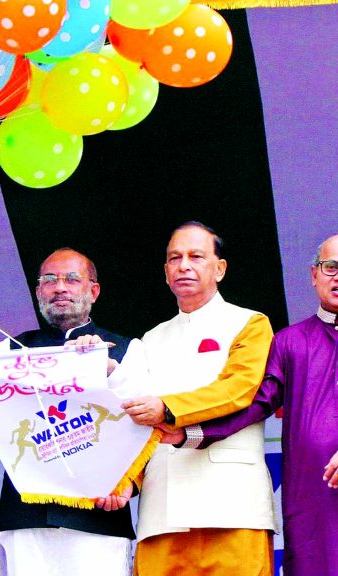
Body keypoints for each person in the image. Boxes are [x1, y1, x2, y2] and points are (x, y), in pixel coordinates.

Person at [169, 233, 338, 575]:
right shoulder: (289, 341)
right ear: (314, 274)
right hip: (313, 499)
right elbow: (256, 403)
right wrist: (191, 433)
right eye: (331, 266)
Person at [0, 247, 139, 576]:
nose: (60, 287)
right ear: (38, 292)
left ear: (93, 290)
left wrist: (104, 367)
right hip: (27, 516)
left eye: (72, 279)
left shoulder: (127, 348)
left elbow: (146, 413)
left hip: (98, 511)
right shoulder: (11, 348)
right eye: (50, 280)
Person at [122, 221, 277, 576]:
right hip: (162, 505)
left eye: (196, 256)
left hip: (231, 503)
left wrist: (167, 408)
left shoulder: (250, 323)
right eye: (175, 258)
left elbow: (240, 388)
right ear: (165, 272)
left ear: (219, 268)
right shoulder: (150, 338)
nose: (184, 265)